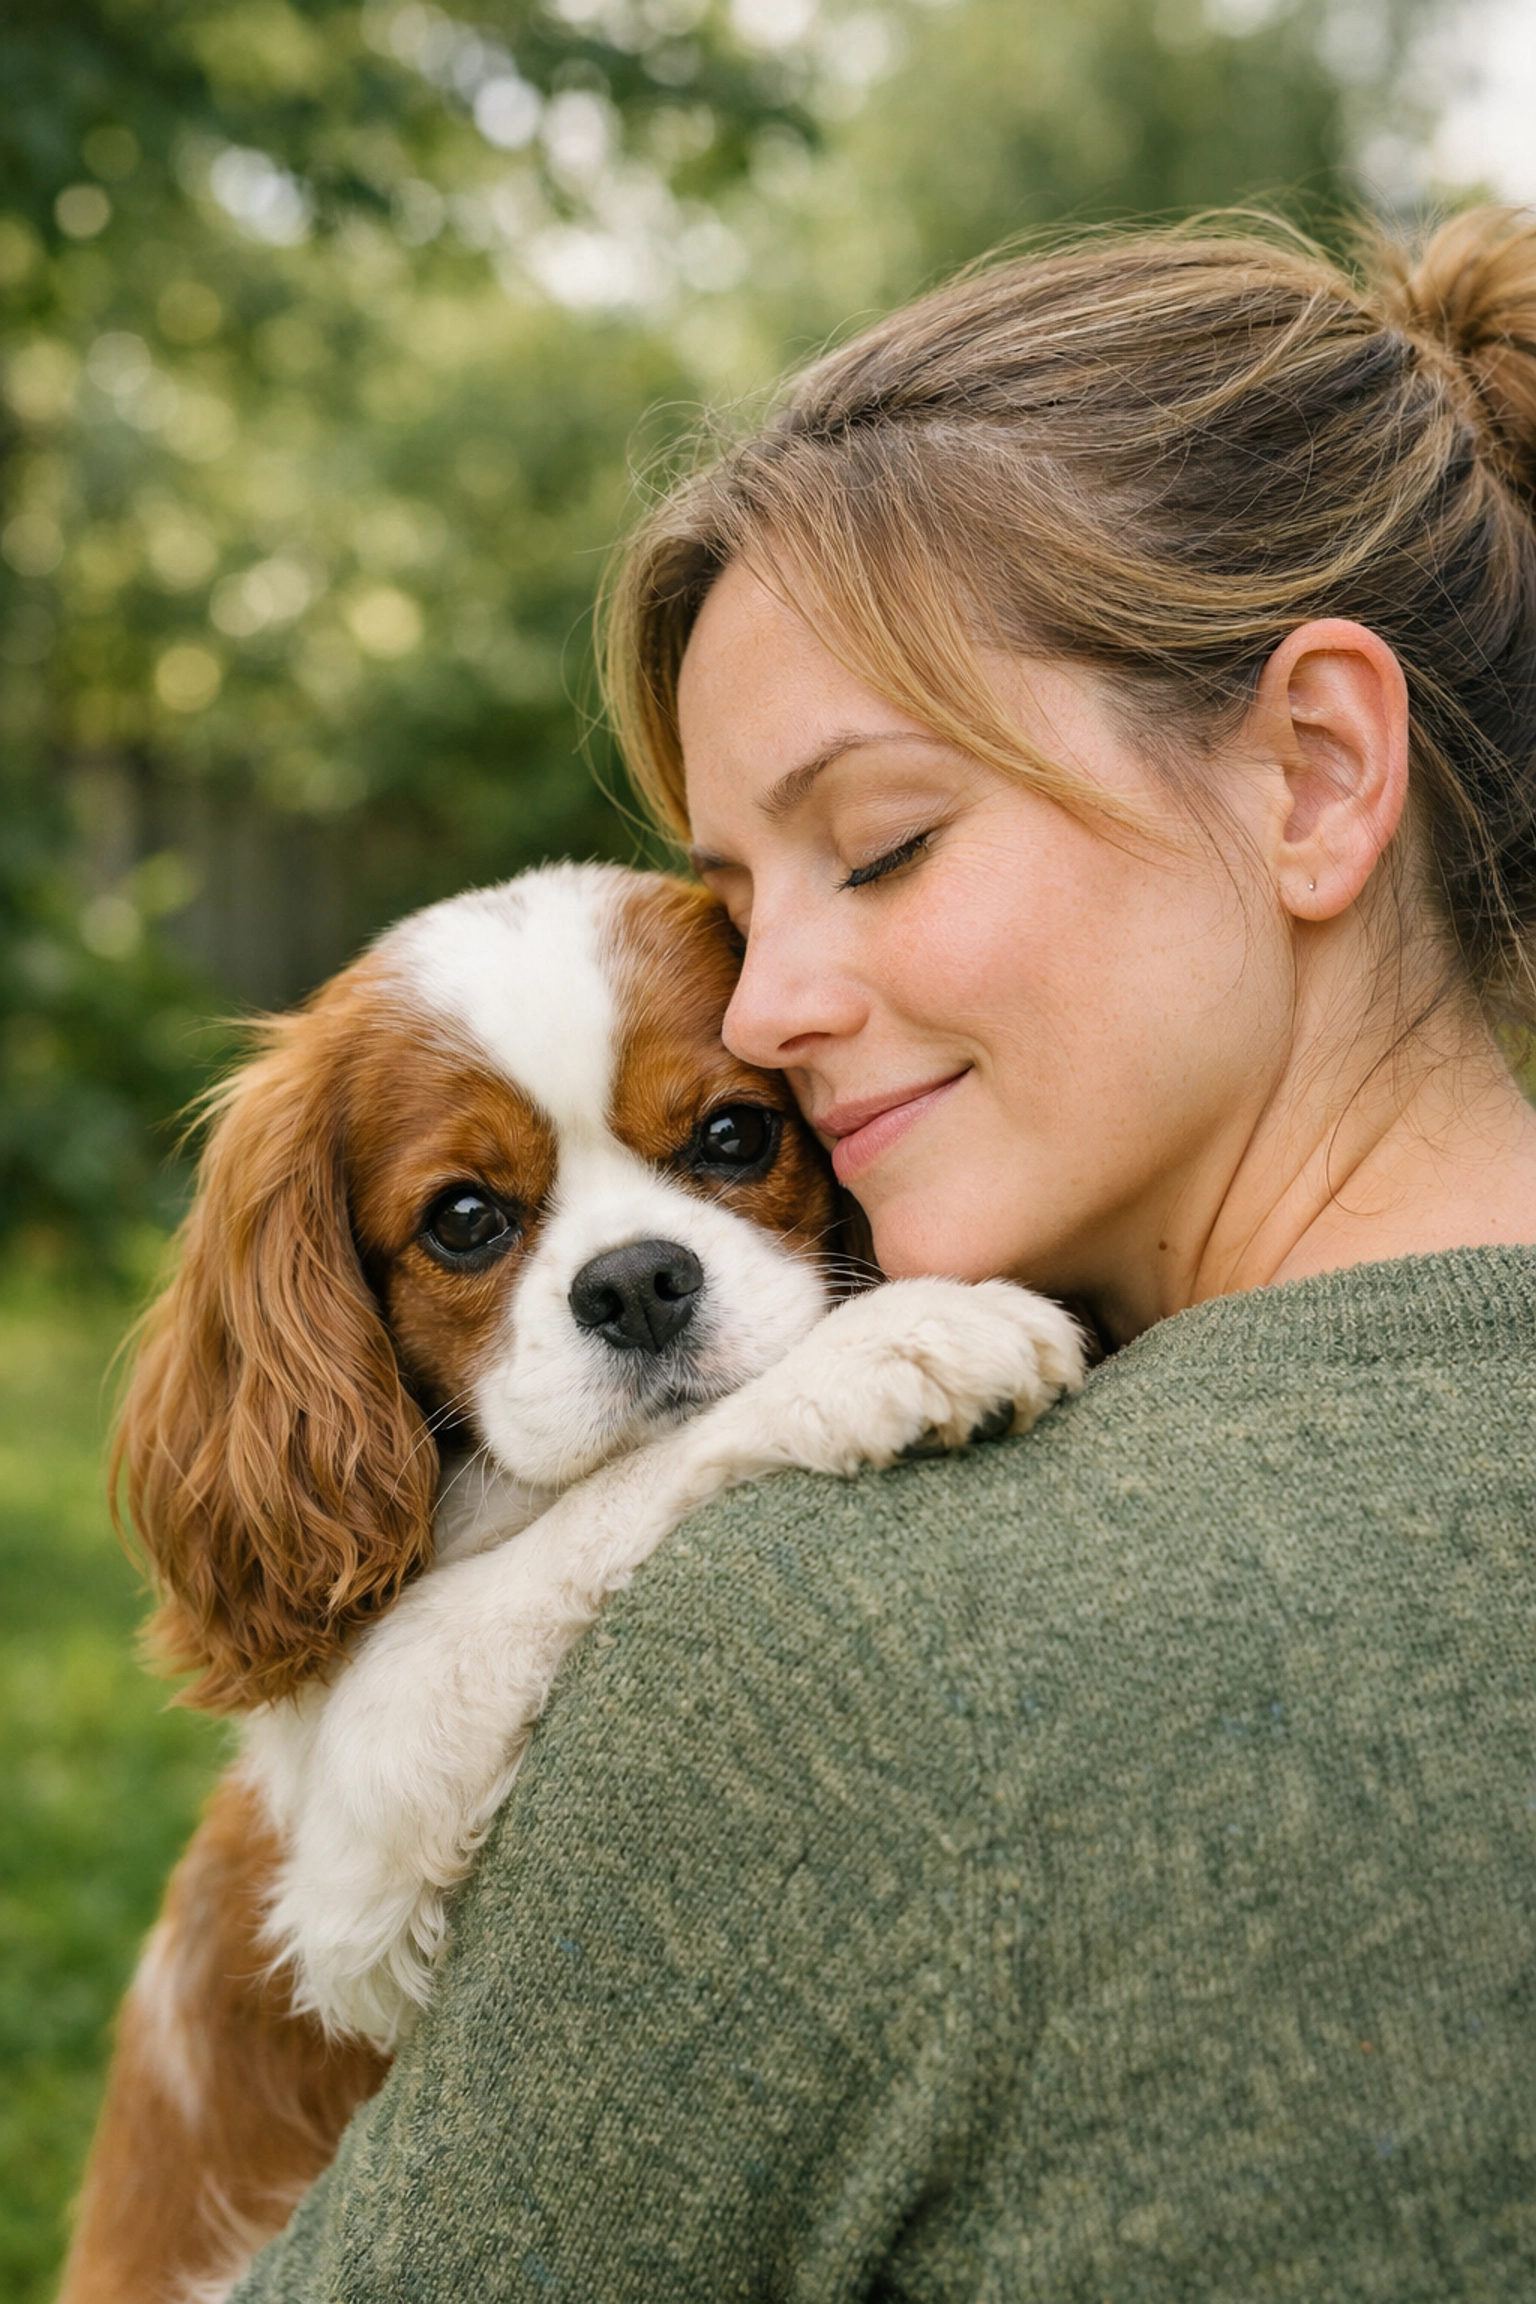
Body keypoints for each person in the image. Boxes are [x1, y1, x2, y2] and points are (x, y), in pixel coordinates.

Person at [235, 209, 1536, 2300]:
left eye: (886, 843)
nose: (757, 1010)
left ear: (1315, 776)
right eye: (739, 893)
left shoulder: (827, 1658)